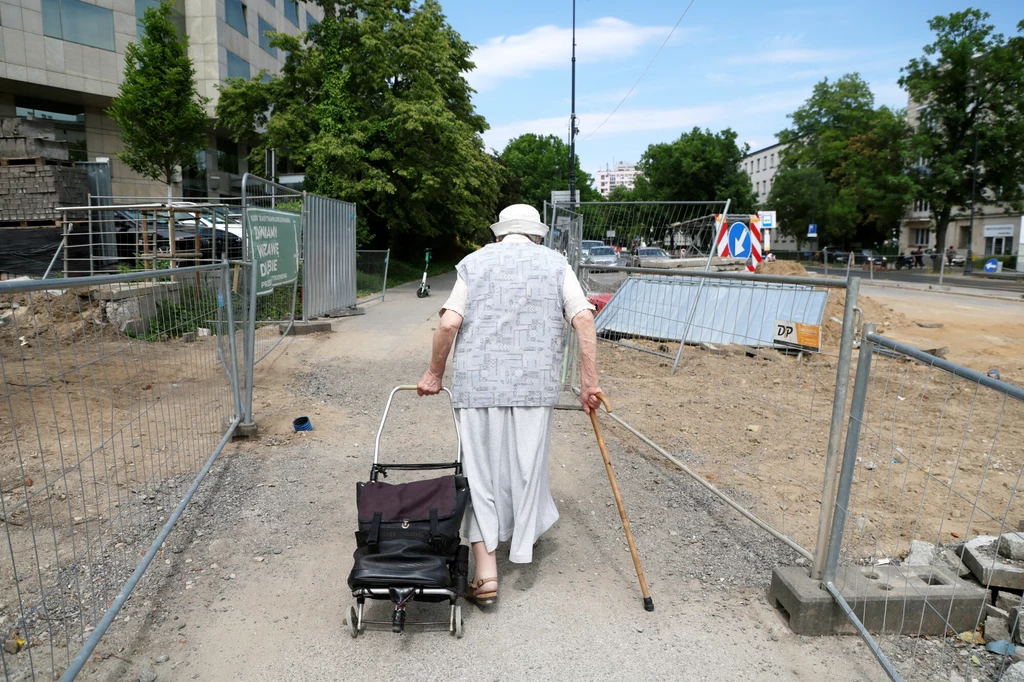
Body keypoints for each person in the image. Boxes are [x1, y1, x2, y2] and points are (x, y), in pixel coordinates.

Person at [416, 203, 602, 605]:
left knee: (480, 475)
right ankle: (521, 544)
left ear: (499, 233)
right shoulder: (555, 264)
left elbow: (449, 322)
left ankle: (486, 572)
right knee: (526, 467)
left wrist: (434, 373)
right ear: (537, 234)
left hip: (478, 387)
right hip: (534, 388)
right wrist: (589, 385)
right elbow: (584, 319)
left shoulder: (474, 263)